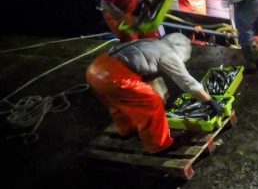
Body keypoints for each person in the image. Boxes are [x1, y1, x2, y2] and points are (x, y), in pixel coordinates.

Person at [86, 33, 223, 153]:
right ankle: (160, 145)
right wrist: (210, 101)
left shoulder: (153, 44)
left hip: (96, 70)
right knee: (151, 101)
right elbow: (187, 82)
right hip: (113, 76)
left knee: (118, 101)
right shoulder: (169, 55)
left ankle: (127, 129)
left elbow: (145, 71)